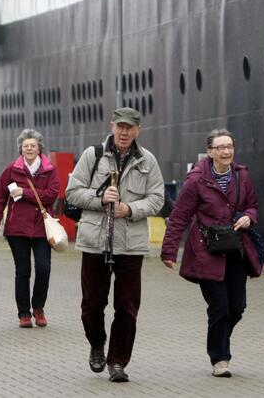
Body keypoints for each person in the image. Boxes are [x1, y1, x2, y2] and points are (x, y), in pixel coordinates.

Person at [64, 107, 164, 382]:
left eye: (129, 127)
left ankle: (118, 361)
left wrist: (129, 209)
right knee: (92, 304)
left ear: (138, 130)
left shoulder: (147, 161)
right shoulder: (92, 155)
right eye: (120, 126)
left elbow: (157, 198)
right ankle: (97, 343)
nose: (124, 132)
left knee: (127, 306)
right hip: (95, 241)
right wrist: (100, 200)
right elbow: (72, 192)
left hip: (131, 244)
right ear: (112, 126)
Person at [161, 129, 262, 378]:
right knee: (220, 308)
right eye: (220, 147)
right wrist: (169, 251)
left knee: (237, 307)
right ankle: (220, 359)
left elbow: (253, 205)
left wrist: (249, 217)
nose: (226, 151)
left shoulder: (242, 176)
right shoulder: (196, 180)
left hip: (236, 250)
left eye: (229, 146)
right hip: (206, 253)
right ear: (210, 152)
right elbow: (179, 216)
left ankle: (219, 340)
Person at [0, 129, 60, 329]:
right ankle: (24, 314)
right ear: (20, 148)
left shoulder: (49, 169)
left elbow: (51, 194)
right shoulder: (12, 170)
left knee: (44, 268)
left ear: (39, 148)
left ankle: (38, 308)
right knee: (23, 271)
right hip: (17, 229)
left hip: (41, 228)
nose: (29, 148)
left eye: (33, 145)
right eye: (25, 146)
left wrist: (25, 192)